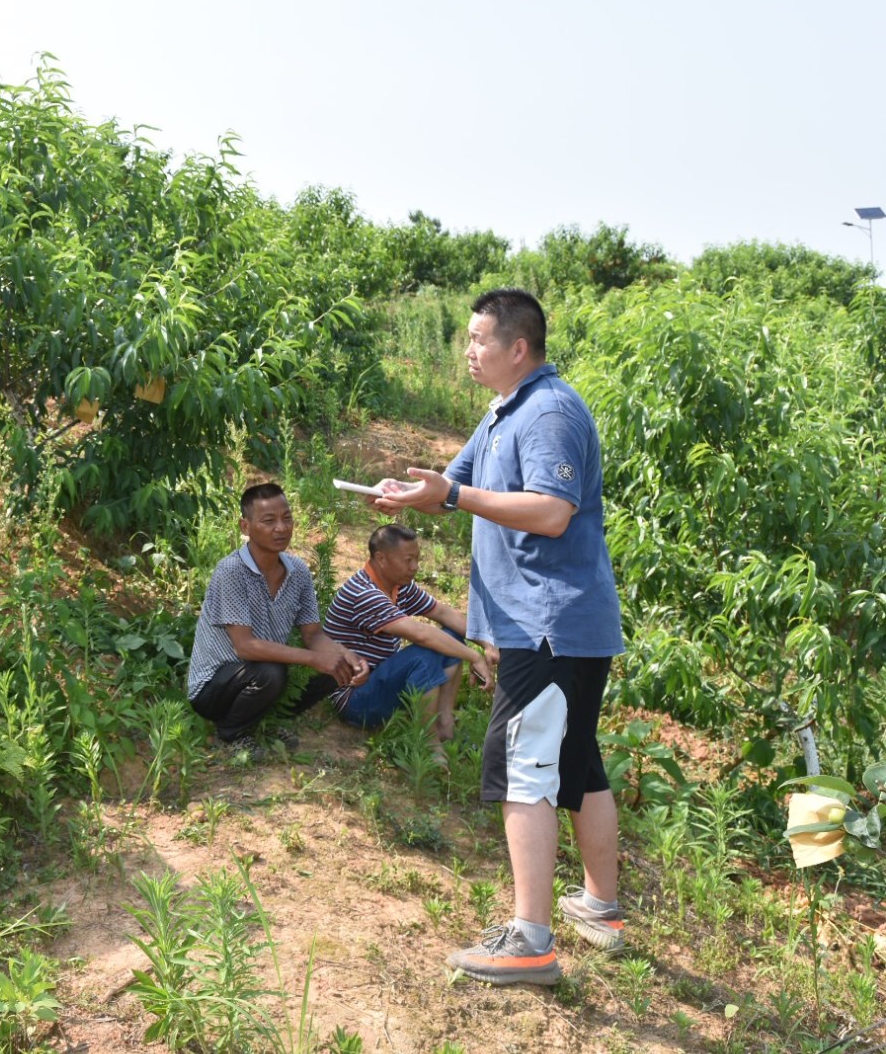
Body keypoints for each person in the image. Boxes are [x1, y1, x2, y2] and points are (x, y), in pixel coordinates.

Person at [375, 289, 626, 985]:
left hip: (547, 625)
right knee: (578, 760)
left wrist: (452, 496)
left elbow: (550, 511)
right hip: (554, 625)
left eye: (479, 338)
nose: (467, 349)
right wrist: (414, 493)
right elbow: (453, 488)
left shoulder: (548, 411)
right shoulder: (503, 411)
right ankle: (600, 907)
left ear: (518, 347)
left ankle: (530, 942)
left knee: (526, 768)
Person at [187, 482, 370, 759]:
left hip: (264, 674)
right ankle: (231, 733)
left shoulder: (298, 572)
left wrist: (347, 656)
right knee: (272, 672)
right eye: (269, 521)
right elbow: (245, 647)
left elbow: (313, 635)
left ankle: (266, 720)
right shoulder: (231, 571)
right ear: (245, 526)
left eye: (287, 518)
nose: (281, 528)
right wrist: (312, 659)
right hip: (214, 687)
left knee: (335, 666)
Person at [321, 524, 490, 749]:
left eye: (417, 559)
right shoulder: (364, 593)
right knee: (424, 654)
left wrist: (489, 644)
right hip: (355, 699)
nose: (415, 567)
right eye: (408, 560)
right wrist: (474, 657)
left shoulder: (399, 586)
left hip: (381, 679)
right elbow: (421, 634)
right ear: (381, 559)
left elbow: (443, 613)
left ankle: (444, 723)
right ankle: (429, 743)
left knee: (452, 638)